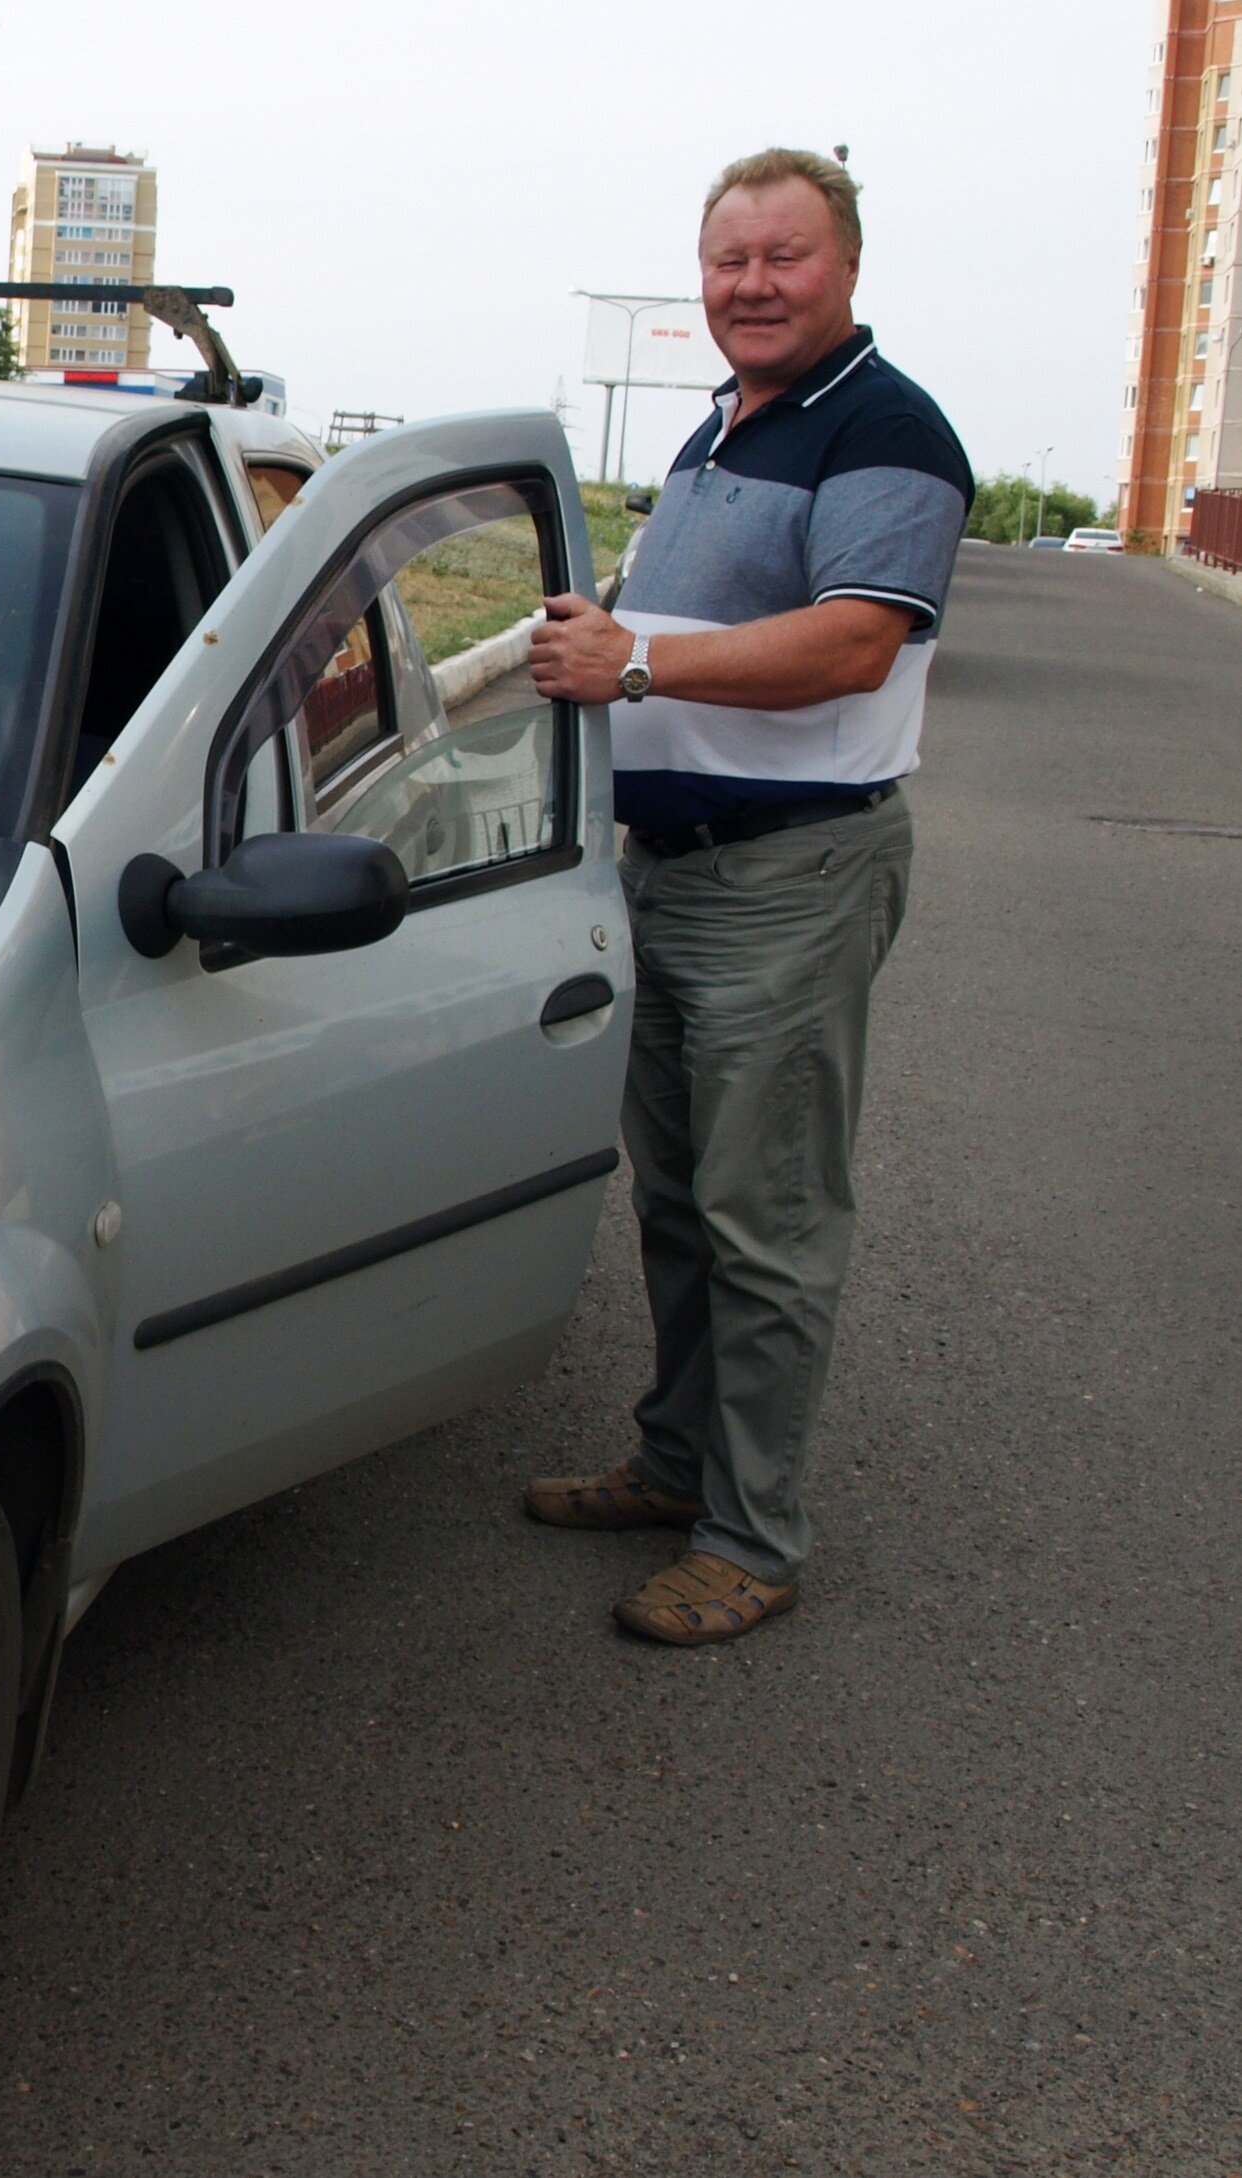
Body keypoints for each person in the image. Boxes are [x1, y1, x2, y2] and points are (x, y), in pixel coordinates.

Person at [520, 148, 971, 1646]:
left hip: (791, 874)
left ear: (843, 269)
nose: (750, 286)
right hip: (674, 872)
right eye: (728, 262)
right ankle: (673, 1461)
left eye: (782, 258)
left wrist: (635, 663)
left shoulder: (886, 428)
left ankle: (751, 1534)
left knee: (762, 1216)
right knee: (677, 1197)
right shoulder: (722, 426)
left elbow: (851, 643)